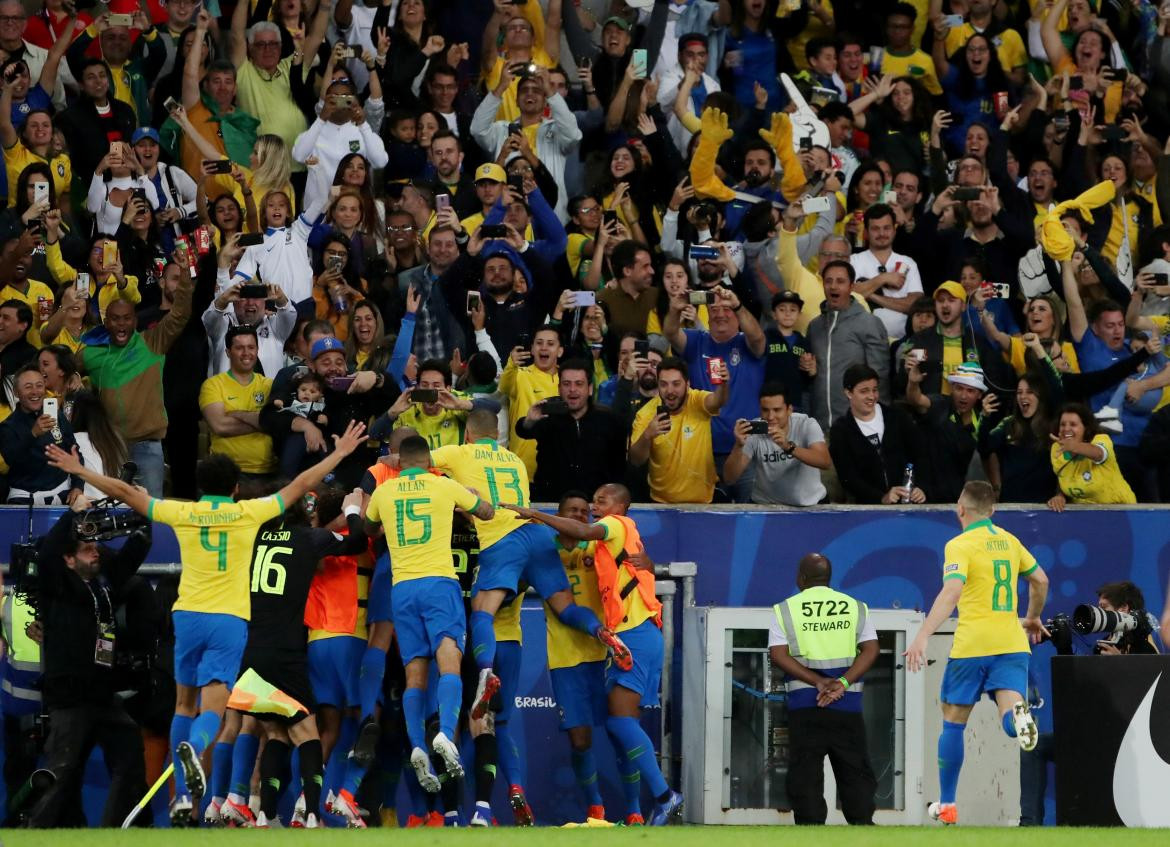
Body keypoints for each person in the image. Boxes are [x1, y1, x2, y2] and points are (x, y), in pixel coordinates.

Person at [46, 420, 369, 826]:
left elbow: (126, 492)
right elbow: (301, 484)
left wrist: (81, 471)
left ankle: (184, 796)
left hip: (188, 615)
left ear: (200, 487)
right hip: (228, 621)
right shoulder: (249, 512)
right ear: (235, 487)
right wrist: (339, 455)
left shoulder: (184, 511)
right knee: (214, 707)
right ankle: (197, 748)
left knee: (184, 703)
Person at [428, 408, 630, 723]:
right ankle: (601, 631)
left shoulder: (459, 452)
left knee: (482, 612)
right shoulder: (515, 460)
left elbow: (414, 460)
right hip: (535, 533)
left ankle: (484, 675)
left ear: (467, 434)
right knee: (565, 607)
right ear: (497, 435)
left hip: (501, 540)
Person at [506, 483, 684, 826]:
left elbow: (621, 553)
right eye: (573, 510)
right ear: (560, 516)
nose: (583, 511)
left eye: (586, 508)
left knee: (621, 727)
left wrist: (532, 513)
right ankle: (599, 808)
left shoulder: (602, 536)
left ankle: (641, 806)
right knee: (582, 738)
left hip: (613, 646)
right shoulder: (544, 551)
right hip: (571, 655)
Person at [216, 486, 370, 829]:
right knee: (308, 735)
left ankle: (260, 812)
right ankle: (312, 814)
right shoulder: (308, 538)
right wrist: (354, 510)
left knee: (274, 732)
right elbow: (358, 541)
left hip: (251, 648)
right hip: (286, 652)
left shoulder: (252, 539)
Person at [361, 435, 495, 821]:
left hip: (402, 589)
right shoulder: (442, 484)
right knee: (449, 658)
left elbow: (369, 530)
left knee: (414, 672)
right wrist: (471, 496)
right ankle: (445, 733)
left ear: (401, 462)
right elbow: (485, 512)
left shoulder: (386, 491)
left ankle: (418, 744)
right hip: (439, 583)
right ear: (428, 460)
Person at [904, 480, 1050, 827]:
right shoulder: (1011, 541)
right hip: (1012, 643)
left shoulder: (959, 544)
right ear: (993, 511)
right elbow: (1041, 580)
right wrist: (1031, 618)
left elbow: (952, 591)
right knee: (1010, 706)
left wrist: (923, 634)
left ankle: (950, 806)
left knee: (953, 722)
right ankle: (1019, 718)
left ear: (960, 510)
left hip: (972, 646)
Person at [25, 495, 152, 828]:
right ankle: (34, 831)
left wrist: (142, 509)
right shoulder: (57, 586)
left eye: (95, 546)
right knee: (62, 772)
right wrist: (73, 513)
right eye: (86, 548)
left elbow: (134, 551)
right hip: (70, 698)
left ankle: (113, 831)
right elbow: (49, 553)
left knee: (130, 759)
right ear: (68, 559)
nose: (95, 550)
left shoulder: (104, 584)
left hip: (103, 697)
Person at [769, 552, 879, 825]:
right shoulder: (856, 606)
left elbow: (778, 655)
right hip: (847, 705)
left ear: (801, 578)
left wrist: (818, 682)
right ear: (829, 578)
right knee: (855, 769)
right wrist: (841, 683)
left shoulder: (785, 609)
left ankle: (810, 828)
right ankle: (862, 826)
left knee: (804, 771)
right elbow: (871, 649)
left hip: (805, 705)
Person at [79, 256, 194, 497]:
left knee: (150, 516)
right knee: (110, 515)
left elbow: (180, 313)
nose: (121, 324)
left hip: (147, 446)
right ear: (106, 322)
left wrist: (185, 275)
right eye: (115, 319)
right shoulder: (91, 354)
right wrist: (73, 380)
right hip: (108, 447)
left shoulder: (152, 342)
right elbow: (61, 367)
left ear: (135, 320)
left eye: (127, 318)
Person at [514, 359, 627, 503]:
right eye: (566, 384)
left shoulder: (609, 420)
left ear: (590, 388)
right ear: (559, 388)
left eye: (579, 384)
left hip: (596, 506)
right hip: (552, 505)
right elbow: (522, 431)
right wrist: (529, 421)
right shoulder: (547, 417)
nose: (572, 389)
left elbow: (619, 469)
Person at [629, 356, 730, 504]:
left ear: (687, 384)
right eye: (663, 384)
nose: (670, 391)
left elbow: (717, 401)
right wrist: (647, 435)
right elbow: (636, 460)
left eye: (676, 384)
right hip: (661, 503)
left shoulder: (696, 400)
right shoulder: (645, 414)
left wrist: (723, 385)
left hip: (703, 502)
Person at [805, 261, 890, 431]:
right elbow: (809, 379)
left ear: (851, 286)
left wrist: (879, 423)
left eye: (840, 281)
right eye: (828, 281)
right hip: (819, 428)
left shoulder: (869, 323)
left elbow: (880, 378)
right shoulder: (814, 326)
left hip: (858, 427)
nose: (833, 287)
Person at [829, 363, 926, 505]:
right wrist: (881, 498)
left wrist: (922, 487)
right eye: (864, 391)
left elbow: (921, 455)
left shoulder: (897, 417)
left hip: (908, 502)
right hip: (867, 509)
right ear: (848, 393)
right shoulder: (841, 430)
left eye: (874, 390)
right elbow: (848, 478)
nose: (871, 396)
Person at [723, 382, 830, 506]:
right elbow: (729, 479)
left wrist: (788, 446)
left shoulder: (806, 424)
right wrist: (738, 446)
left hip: (810, 505)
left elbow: (825, 462)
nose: (770, 416)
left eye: (777, 410)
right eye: (765, 410)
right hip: (767, 506)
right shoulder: (754, 432)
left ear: (789, 409)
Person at [198, 325, 276, 480]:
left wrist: (239, 414)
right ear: (228, 352)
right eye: (239, 348)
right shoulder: (213, 385)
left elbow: (278, 422)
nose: (246, 353)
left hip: (267, 473)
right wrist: (263, 422)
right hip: (225, 473)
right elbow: (220, 426)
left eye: (251, 347)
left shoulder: (270, 385)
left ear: (257, 350)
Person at [1047, 402, 1136, 510]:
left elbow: (1098, 453)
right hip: (1085, 516)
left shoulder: (1101, 439)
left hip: (1122, 511)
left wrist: (1074, 446)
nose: (1066, 429)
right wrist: (1060, 496)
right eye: (1063, 424)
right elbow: (1064, 476)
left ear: (1086, 428)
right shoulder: (1057, 449)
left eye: (1073, 424)